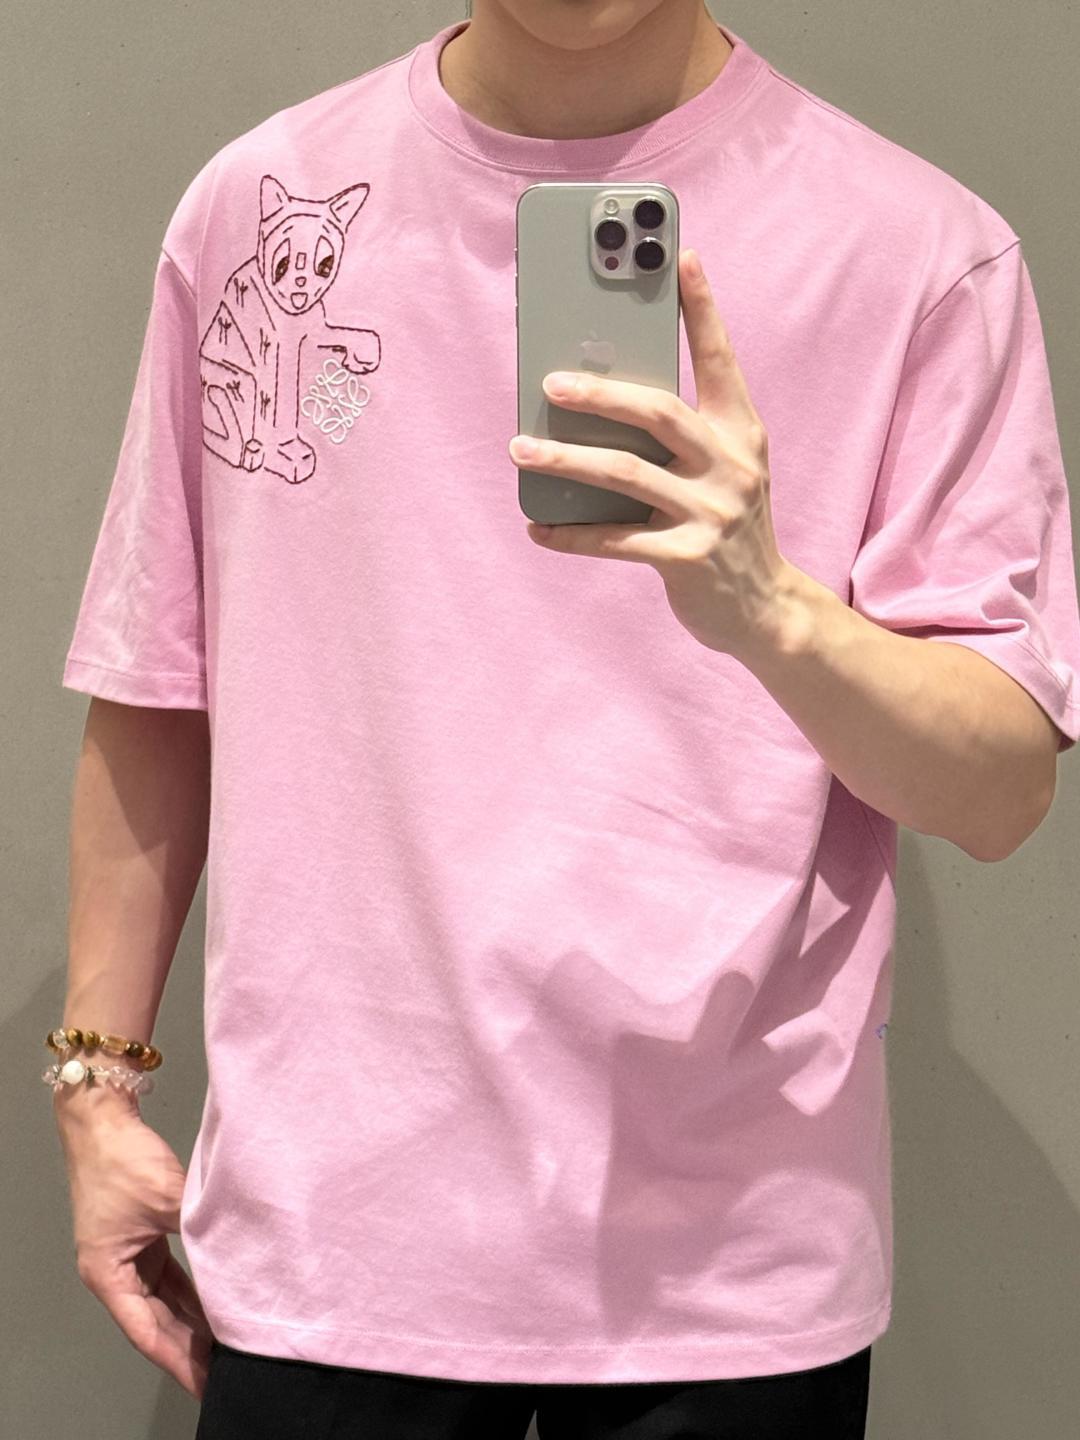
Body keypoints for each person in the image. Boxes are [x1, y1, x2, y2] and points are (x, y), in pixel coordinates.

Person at [51, 2, 1080, 1437]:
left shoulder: (918, 252)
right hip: (334, 1238)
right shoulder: (258, 208)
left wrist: (773, 612)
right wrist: (94, 1092)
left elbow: (1002, 790)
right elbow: (163, 680)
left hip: (727, 1278)